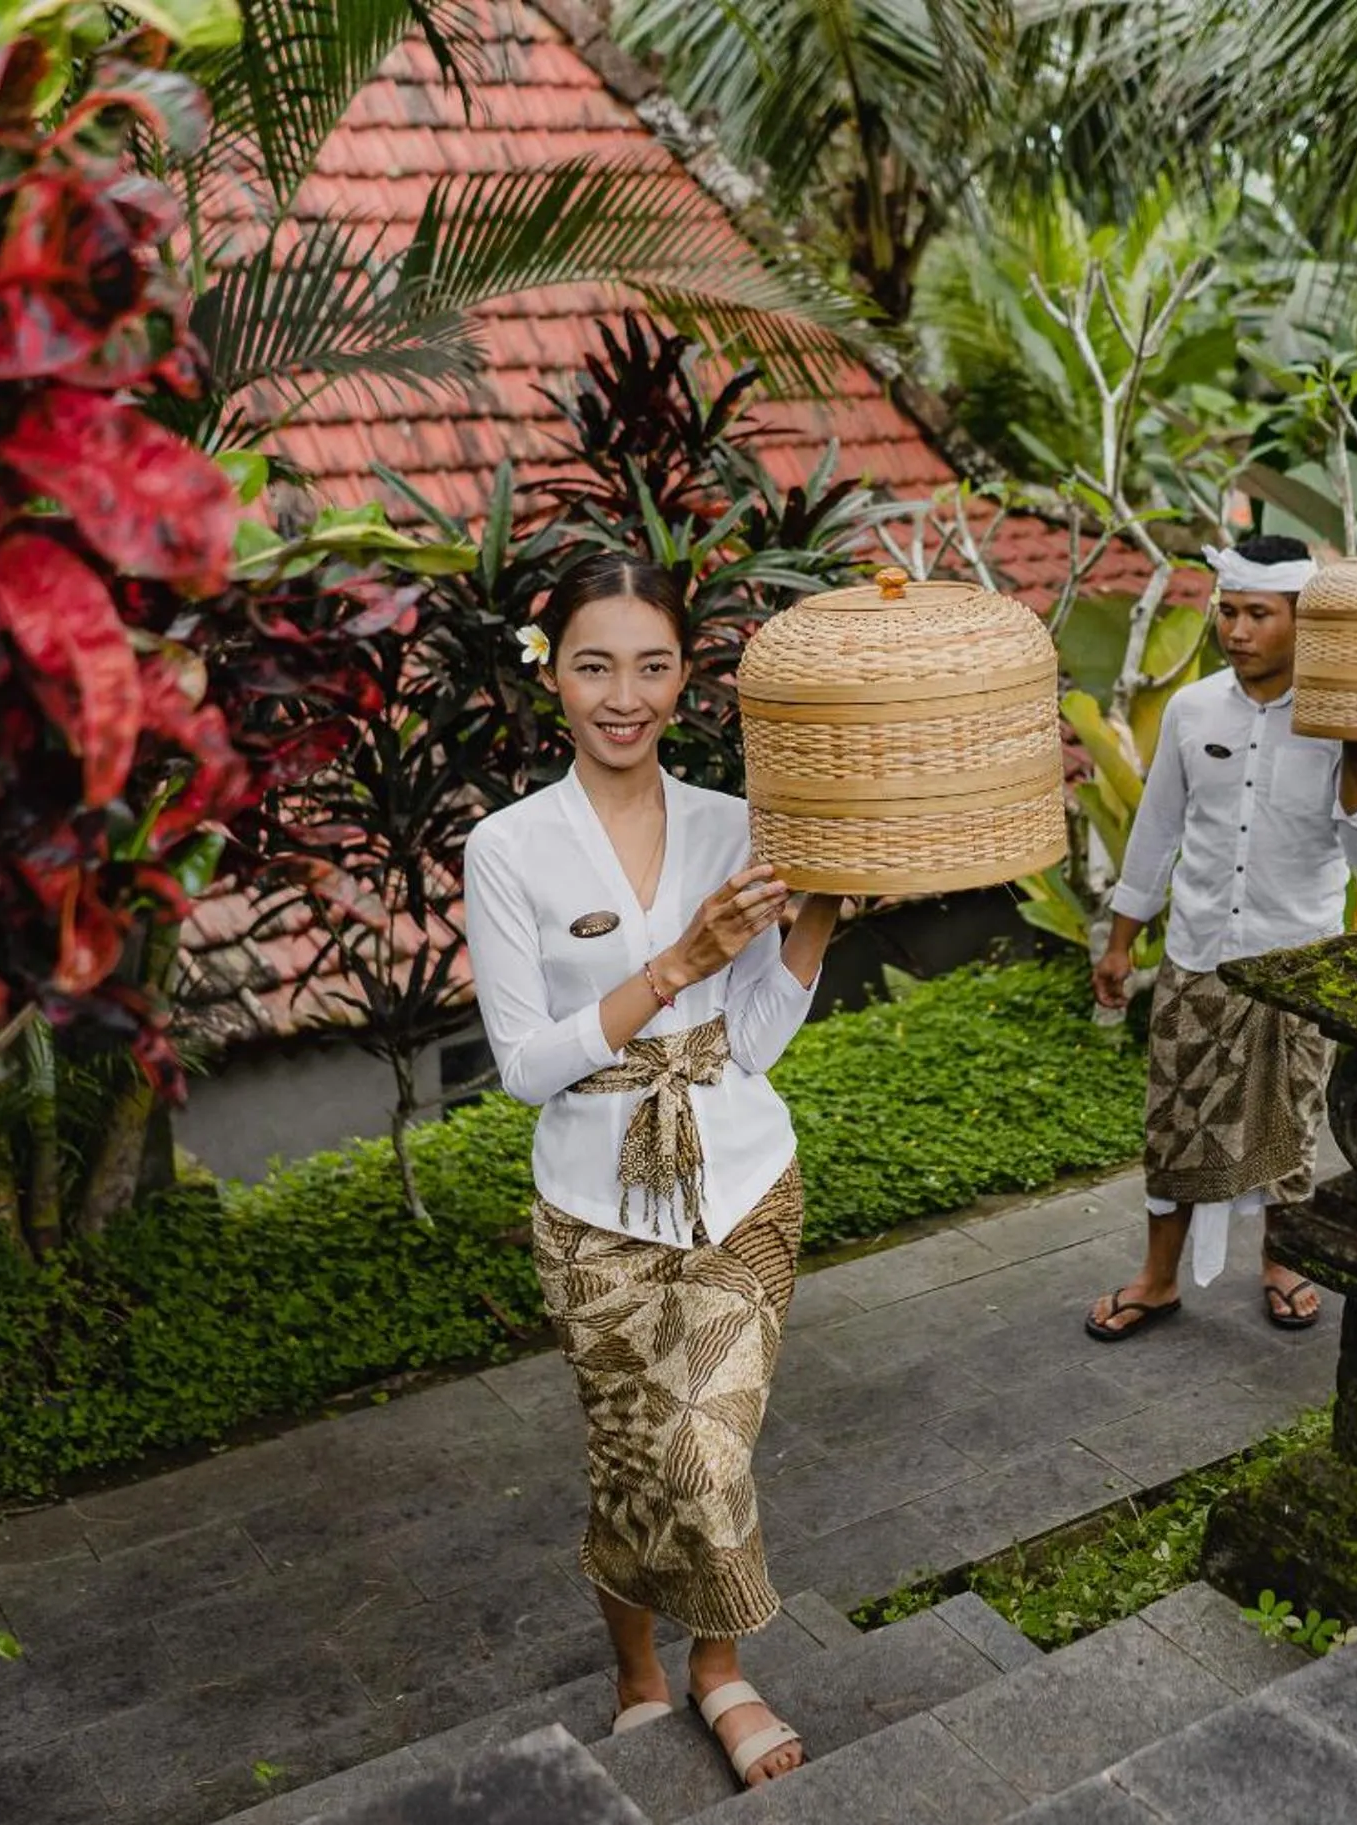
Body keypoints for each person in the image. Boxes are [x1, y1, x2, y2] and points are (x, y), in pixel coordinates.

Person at [462, 551, 843, 1789]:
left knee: (706, 1452)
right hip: (591, 1209)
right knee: (630, 1456)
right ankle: (640, 1675)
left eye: (652, 665)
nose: (622, 694)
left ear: (686, 675)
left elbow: (754, 1038)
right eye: (592, 665)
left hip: (743, 1183)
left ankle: (719, 1667)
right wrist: (671, 965)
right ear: (551, 676)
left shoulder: (738, 824)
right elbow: (524, 1066)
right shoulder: (508, 849)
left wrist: (820, 913)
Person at [1085, 532, 1357, 1342]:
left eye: (1258, 613)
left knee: (1289, 1125)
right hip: (1197, 957)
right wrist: (1120, 943)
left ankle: (1281, 1262)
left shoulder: (1344, 723)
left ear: (1302, 621)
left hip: (1297, 966)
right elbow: (1155, 835)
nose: (1237, 629)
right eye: (1228, 611)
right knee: (1173, 1121)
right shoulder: (1192, 711)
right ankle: (1157, 1279)